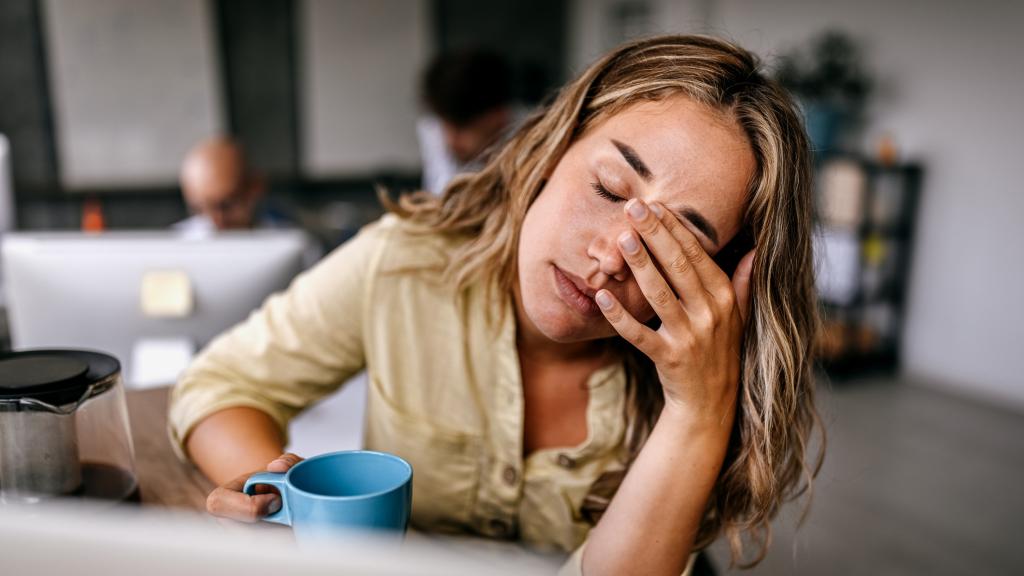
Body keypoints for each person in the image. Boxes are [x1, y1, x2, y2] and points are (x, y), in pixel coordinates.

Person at [170, 35, 822, 575]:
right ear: (552, 149)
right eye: (607, 187)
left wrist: (698, 411)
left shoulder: (699, 384)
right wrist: (282, 503)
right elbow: (220, 384)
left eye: (673, 245)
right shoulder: (407, 262)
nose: (610, 257)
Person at [417, 49, 519, 195]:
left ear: (498, 116)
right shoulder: (434, 128)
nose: (451, 139)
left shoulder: (531, 137)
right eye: (445, 125)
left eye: (462, 127)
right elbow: (440, 197)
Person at [175, 137, 275, 236]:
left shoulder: (282, 236)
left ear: (255, 188)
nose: (215, 222)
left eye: (225, 206)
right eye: (199, 210)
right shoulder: (175, 243)